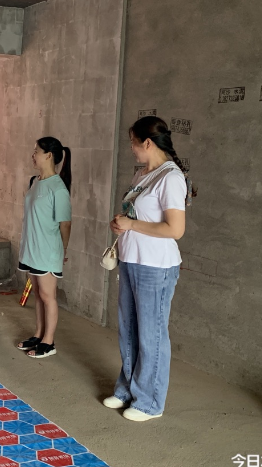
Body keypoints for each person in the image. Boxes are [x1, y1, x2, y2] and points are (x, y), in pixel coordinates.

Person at [103, 115, 195, 422]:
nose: (131, 148)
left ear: (147, 143)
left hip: (156, 266)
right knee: (128, 329)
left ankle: (150, 402)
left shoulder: (171, 177)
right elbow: (136, 216)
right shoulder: (142, 175)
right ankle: (127, 390)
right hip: (132, 259)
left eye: (133, 142)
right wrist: (121, 224)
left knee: (151, 335)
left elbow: (175, 229)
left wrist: (131, 225)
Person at [16, 137, 72, 358]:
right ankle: (39, 334)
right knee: (38, 295)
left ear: (48, 155)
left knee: (48, 295)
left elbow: (65, 224)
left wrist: (63, 250)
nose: (33, 155)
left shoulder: (58, 188)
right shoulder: (35, 181)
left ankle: (49, 342)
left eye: (36, 151)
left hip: (48, 250)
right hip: (32, 249)